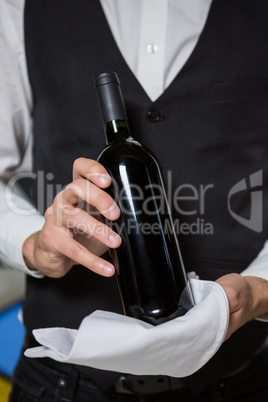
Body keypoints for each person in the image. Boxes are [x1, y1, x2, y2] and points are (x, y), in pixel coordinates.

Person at [0, 0, 268, 401]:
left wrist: (261, 288)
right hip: (59, 387)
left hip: (238, 382)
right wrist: (33, 244)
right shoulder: (20, 7)